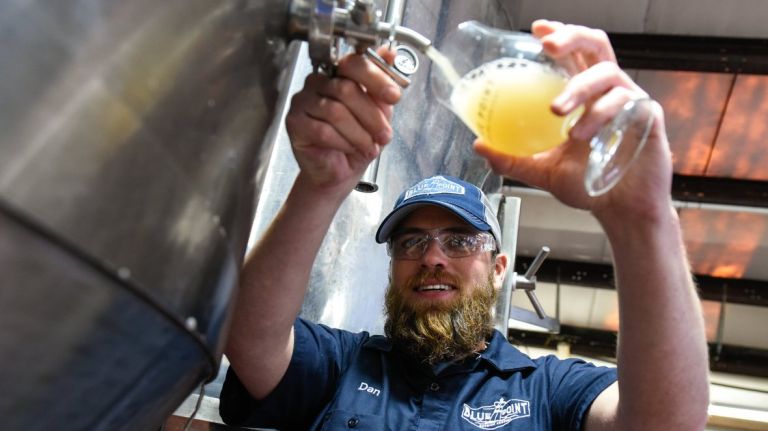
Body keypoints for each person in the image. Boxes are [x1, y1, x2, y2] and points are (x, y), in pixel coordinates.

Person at [219, 19, 710, 430]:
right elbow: (248, 337)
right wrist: (320, 186)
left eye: (458, 240)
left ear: (499, 268)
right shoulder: (343, 364)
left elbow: (665, 423)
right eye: (411, 242)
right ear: (392, 267)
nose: (432, 257)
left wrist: (642, 218)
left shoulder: (546, 389)